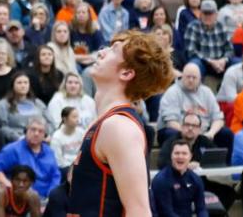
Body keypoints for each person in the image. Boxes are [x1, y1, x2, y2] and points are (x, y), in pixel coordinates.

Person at [68, 30, 175, 216]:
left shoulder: (119, 127)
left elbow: (139, 211)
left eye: (112, 50)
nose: (101, 51)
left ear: (126, 73)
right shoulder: (104, 122)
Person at [150, 139, 208, 217]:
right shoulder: (161, 180)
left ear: (190, 156)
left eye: (184, 153)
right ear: (171, 156)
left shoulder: (196, 179)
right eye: (177, 153)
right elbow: (167, 213)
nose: (180, 156)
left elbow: (201, 209)